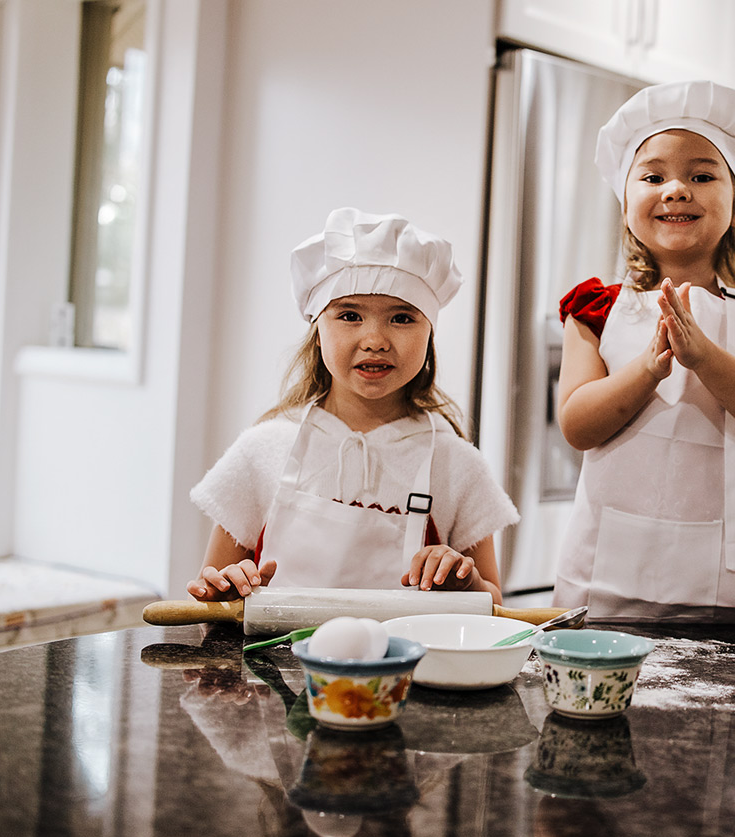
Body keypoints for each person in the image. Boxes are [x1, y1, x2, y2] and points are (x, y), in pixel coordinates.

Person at [553, 80, 735, 624]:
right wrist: (648, 369)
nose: (676, 189)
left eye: (702, 175)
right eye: (653, 176)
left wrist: (705, 357)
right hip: (609, 585)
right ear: (625, 196)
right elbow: (577, 425)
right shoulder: (594, 311)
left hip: (732, 596)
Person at [187, 208, 517, 602]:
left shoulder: (457, 466)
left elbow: (493, 602)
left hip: (409, 665)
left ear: (430, 333)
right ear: (318, 331)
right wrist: (227, 587)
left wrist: (466, 584)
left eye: (401, 317)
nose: (375, 339)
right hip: (276, 664)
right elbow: (211, 597)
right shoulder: (261, 452)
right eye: (349, 315)